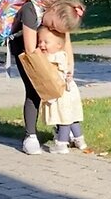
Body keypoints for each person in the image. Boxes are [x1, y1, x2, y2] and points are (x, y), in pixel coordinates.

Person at [9, 0, 85, 155]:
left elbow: (65, 44)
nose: (51, 30)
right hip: (25, 49)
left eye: (55, 29)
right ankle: (30, 137)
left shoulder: (60, 18)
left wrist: (69, 69)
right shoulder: (30, 10)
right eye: (51, 25)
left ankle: (61, 128)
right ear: (54, 10)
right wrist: (49, 77)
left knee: (60, 89)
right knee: (34, 90)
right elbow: (30, 50)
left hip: (48, 49)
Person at [36, 26, 86, 154]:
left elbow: (43, 65)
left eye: (46, 42)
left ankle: (62, 143)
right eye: (39, 41)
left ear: (58, 45)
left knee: (63, 117)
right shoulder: (63, 55)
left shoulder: (54, 57)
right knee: (72, 115)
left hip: (60, 93)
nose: (41, 45)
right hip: (69, 91)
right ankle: (79, 139)